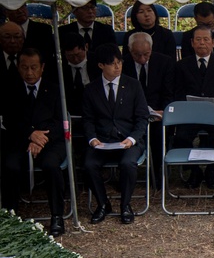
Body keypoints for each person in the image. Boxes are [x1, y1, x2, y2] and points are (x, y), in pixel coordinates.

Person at [0, 48, 66, 236]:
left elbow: (61, 121)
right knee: (10, 166)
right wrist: (31, 134)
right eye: (24, 68)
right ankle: (10, 216)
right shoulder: (11, 89)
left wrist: (41, 138)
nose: (29, 73)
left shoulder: (54, 89)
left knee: (51, 165)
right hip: (20, 140)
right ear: (18, 68)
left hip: (50, 141)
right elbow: (9, 120)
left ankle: (57, 216)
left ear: (42, 68)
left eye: (34, 68)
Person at [81, 44, 149, 225]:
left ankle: (125, 205)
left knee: (128, 163)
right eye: (112, 64)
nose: (117, 67)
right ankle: (103, 203)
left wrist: (132, 138)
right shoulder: (91, 89)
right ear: (101, 65)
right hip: (102, 140)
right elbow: (87, 119)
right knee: (89, 164)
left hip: (128, 139)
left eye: (119, 62)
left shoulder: (133, 85)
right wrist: (92, 138)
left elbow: (142, 117)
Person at [173, 25, 214, 187]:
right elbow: (178, 92)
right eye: (198, 40)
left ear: (213, 42)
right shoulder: (182, 66)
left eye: (206, 39)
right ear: (192, 43)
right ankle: (194, 171)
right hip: (190, 115)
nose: (202, 43)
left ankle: (211, 170)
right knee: (180, 137)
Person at [122, 32, 175, 186]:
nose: (142, 59)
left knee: (159, 132)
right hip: (131, 113)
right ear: (129, 50)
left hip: (158, 112)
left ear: (151, 49)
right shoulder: (123, 64)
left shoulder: (165, 62)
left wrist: (163, 111)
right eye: (137, 55)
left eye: (146, 54)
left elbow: (169, 92)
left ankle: (158, 174)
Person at [60, 32, 97, 115]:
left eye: (78, 54)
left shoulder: (97, 62)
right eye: (70, 56)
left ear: (86, 47)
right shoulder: (59, 66)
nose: (75, 59)